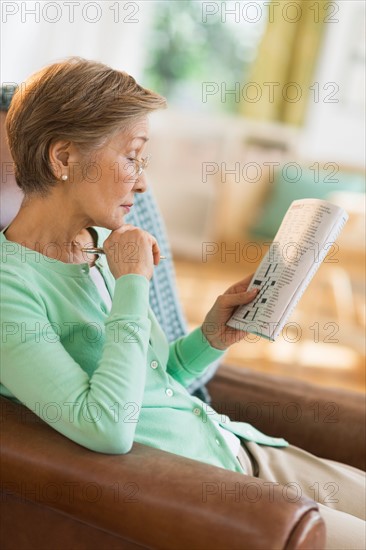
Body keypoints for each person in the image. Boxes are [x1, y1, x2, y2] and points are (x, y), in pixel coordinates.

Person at [0, 58, 364, 549]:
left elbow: (154, 385)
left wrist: (211, 338)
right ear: (63, 159)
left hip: (242, 449)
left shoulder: (102, 245)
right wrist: (132, 284)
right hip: (227, 495)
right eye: (132, 157)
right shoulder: (11, 289)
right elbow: (107, 426)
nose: (143, 184)